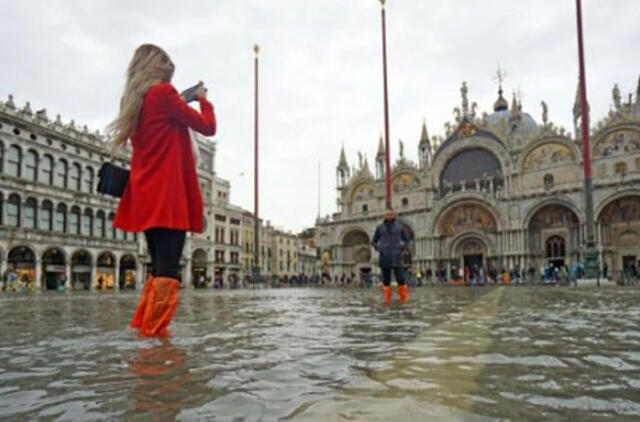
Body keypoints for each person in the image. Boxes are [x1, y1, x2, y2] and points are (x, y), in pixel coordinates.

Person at [111, 44, 216, 337]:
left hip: (144, 193)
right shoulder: (163, 95)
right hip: (168, 194)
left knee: (158, 268)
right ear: (158, 70)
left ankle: (144, 332)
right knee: (168, 271)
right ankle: (156, 342)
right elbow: (208, 127)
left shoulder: (133, 102)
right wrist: (203, 100)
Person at [371, 208, 410, 303]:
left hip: (397, 256)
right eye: (387, 214)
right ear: (384, 216)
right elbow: (373, 241)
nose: (389, 216)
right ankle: (387, 300)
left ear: (394, 215)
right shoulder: (380, 228)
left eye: (391, 214)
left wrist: (402, 248)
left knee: (401, 279)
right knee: (386, 280)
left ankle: (404, 299)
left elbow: (407, 240)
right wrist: (379, 249)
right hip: (384, 256)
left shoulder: (400, 227)